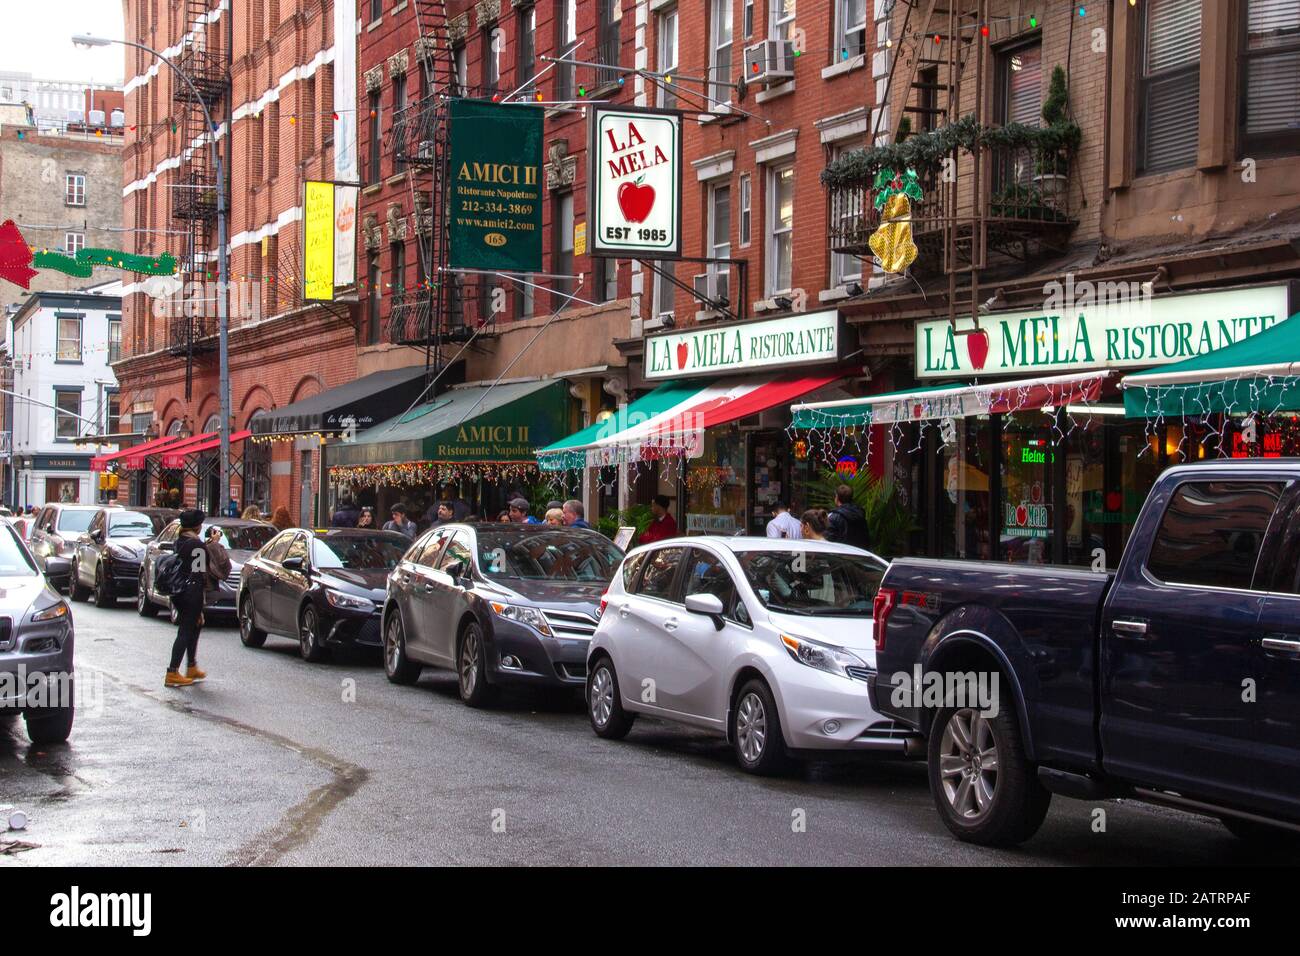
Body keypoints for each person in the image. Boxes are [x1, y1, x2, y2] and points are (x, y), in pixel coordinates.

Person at [165, 509, 209, 688]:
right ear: (197, 526)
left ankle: (191, 666)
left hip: (179, 590)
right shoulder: (196, 545)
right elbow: (199, 571)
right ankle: (172, 671)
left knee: (194, 626)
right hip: (192, 592)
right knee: (185, 630)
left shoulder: (180, 541)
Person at [825, 484, 870, 549]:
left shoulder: (834, 517)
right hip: (860, 555)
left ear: (837, 497)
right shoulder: (860, 514)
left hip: (841, 555)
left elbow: (828, 539)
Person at [204, 525, 232, 593]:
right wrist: (215, 542)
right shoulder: (211, 546)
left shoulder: (203, 545)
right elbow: (224, 563)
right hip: (208, 586)